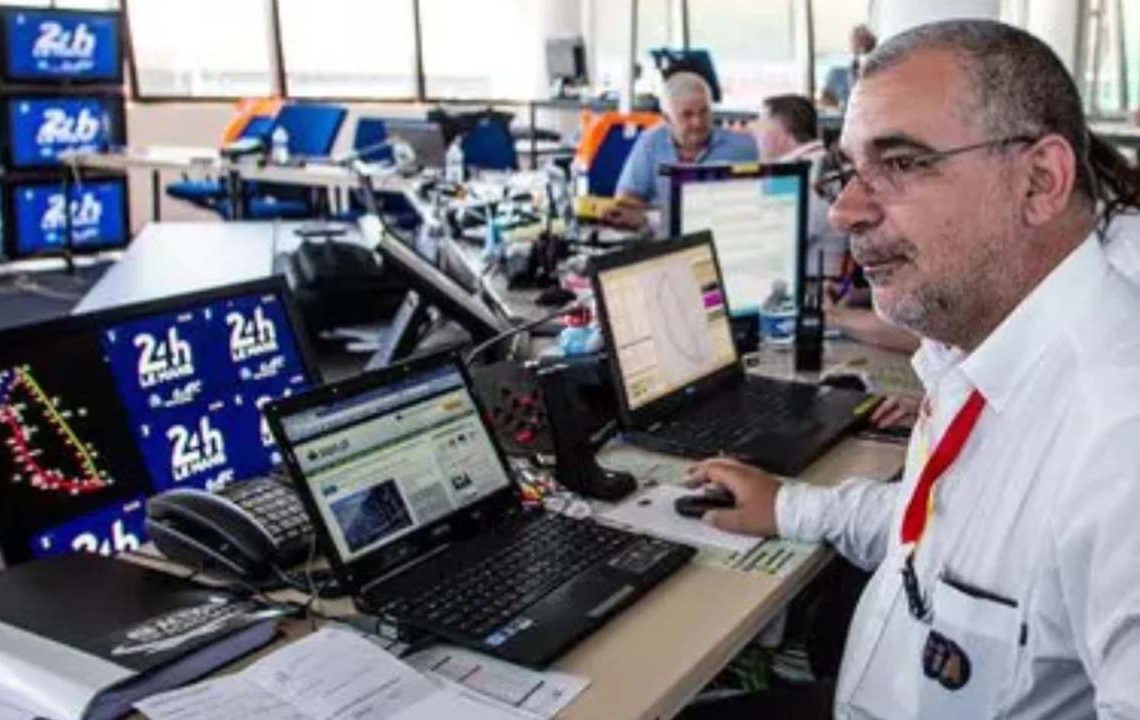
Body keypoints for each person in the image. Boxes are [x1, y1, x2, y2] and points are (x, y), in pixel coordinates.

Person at [682, 19, 1140, 719]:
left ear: (1040, 181)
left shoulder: (1118, 442)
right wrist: (789, 506)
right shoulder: (980, 349)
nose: (844, 211)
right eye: (848, 171)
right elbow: (946, 530)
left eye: (901, 163)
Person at [604, 71, 758, 229]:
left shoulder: (742, 148)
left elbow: (756, 207)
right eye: (687, 115)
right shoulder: (651, 142)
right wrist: (651, 219)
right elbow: (626, 201)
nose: (698, 122)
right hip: (663, 237)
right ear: (667, 118)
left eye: (704, 111)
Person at [819, 24, 877, 110]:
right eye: (856, 41)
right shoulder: (838, 70)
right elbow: (826, 101)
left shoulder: (880, 70)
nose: (860, 47)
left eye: (864, 41)